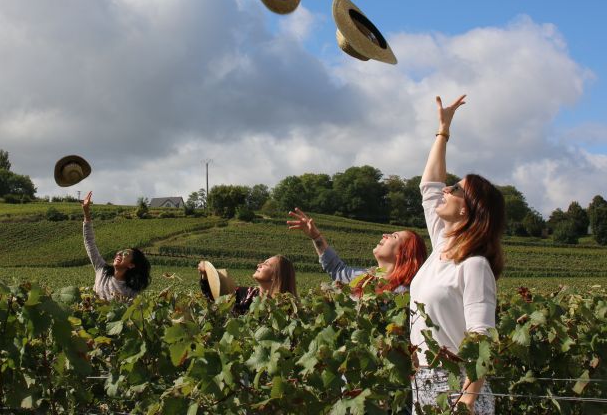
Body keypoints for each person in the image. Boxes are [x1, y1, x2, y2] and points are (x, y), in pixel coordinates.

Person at [409, 95, 505, 414]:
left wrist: (466, 401)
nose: (445, 190)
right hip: (424, 382)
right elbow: (429, 185)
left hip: (457, 387)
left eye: (455, 188)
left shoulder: (474, 265)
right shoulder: (442, 246)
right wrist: (443, 130)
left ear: (467, 207)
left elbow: (481, 338)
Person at [287, 207, 426, 297]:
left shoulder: (403, 293)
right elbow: (336, 269)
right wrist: (316, 237)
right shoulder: (365, 278)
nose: (385, 234)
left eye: (394, 236)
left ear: (404, 254)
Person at [81, 191, 151, 300]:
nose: (119, 254)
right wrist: (86, 212)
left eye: (125, 254)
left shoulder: (130, 292)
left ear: (131, 265)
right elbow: (89, 242)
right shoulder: (102, 270)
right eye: (120, 252)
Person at [198, 255, 297, 315]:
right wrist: (205, 276)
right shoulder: (245, 293)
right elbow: (214, 297)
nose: (259, 265)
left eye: (266, 264)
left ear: (275, 276)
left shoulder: (285, 307)